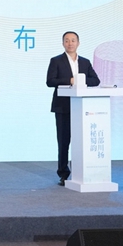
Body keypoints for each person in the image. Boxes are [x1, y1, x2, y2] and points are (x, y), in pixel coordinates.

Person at [45, 31, 101, 186]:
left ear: (78, 43)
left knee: (81, 141)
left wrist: (81, 81)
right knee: (64, 141)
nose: (70, 43)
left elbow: (96, 80)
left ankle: (79, 171)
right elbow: (50, 81)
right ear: (63, 43)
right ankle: (63, 173)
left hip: (82, 107)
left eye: (73, 40)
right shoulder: (56, 61)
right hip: (62, 106)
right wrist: (70, 80)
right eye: (67, 41)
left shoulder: (85, 62)